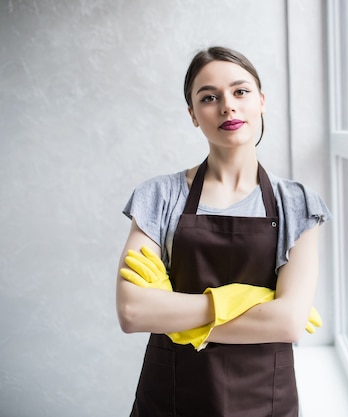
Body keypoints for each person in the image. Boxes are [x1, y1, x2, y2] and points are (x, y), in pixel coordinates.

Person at [115, 46, 332, 417]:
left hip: (265, 400)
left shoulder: (296, 203)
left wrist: (178, 321)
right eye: (209, 97)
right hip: (171, 397)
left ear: (261, 101)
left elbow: (290, 321)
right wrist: (250, 300)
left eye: (240, 91)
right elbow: (133, 312)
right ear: (193, 115)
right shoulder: (159, 195)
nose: (227, 106)